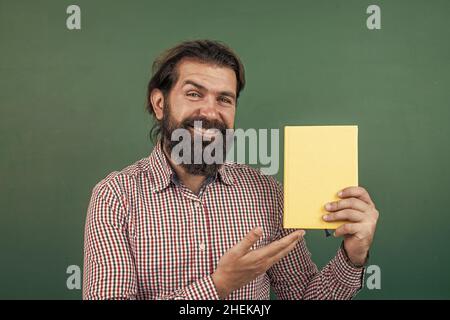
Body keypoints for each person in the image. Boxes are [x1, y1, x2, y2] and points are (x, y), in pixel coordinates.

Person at [83, 39, 379, 300]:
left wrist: (353, 257)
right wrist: (219, 285)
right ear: (160, 104)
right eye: (194, 94)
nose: (210, 113)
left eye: (224, 99)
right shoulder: (115, 196)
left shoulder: (266, 192)